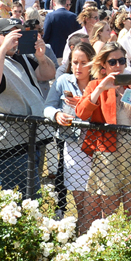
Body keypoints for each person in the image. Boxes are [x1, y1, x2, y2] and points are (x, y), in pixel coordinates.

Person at [75, 42, 131, 221]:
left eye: (122, 61)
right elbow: (81, 113)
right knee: (109, 214)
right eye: (113, 62)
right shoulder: (95, 85)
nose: (118, 66)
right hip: (107, 155)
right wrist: (100, 88)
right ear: (103, 64)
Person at [43, 42, 97, 234]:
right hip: (73, 147)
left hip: (97, 147)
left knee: (95, 205)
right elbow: (48, 106)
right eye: (75, 62)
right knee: (81, 204)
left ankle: (95, 239)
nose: (78, 67)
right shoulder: (63, 81)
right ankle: (83, 240)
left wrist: (84, 104)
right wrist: (57, 115)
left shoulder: (99, 82)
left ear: (92, 63)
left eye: (83, 62)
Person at [0, 17, 54, 191]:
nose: (15, 37)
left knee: (30, 195)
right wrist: (2, 49)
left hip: (33, 136)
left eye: (18, 33)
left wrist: (42, 58)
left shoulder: (22, 56)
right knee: (22, 200)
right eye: (8, 33)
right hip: (9, 144)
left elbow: (48, 74)